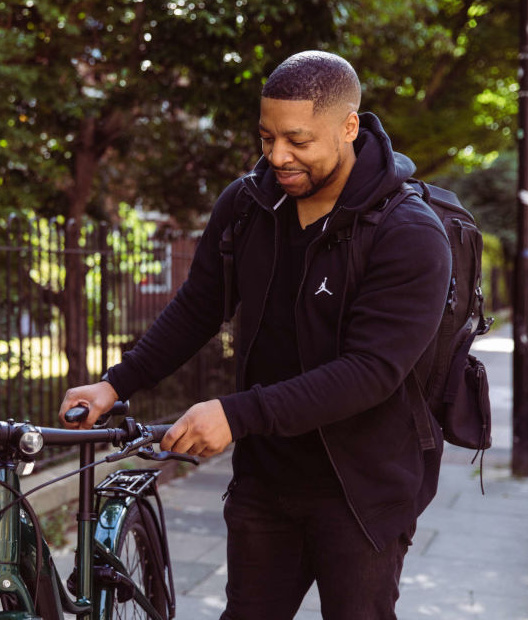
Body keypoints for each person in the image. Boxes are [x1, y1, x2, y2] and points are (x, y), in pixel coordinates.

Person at [60, 50, 453, 619]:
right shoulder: (248, 205)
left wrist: (234, 414)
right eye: (266, 137)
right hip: (266, 482)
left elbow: (371, 372)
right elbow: (199, 306)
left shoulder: (408, 232)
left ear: (349, 127)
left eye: (297, 141)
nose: (277, 156)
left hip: (364, 486)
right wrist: (116, 383)